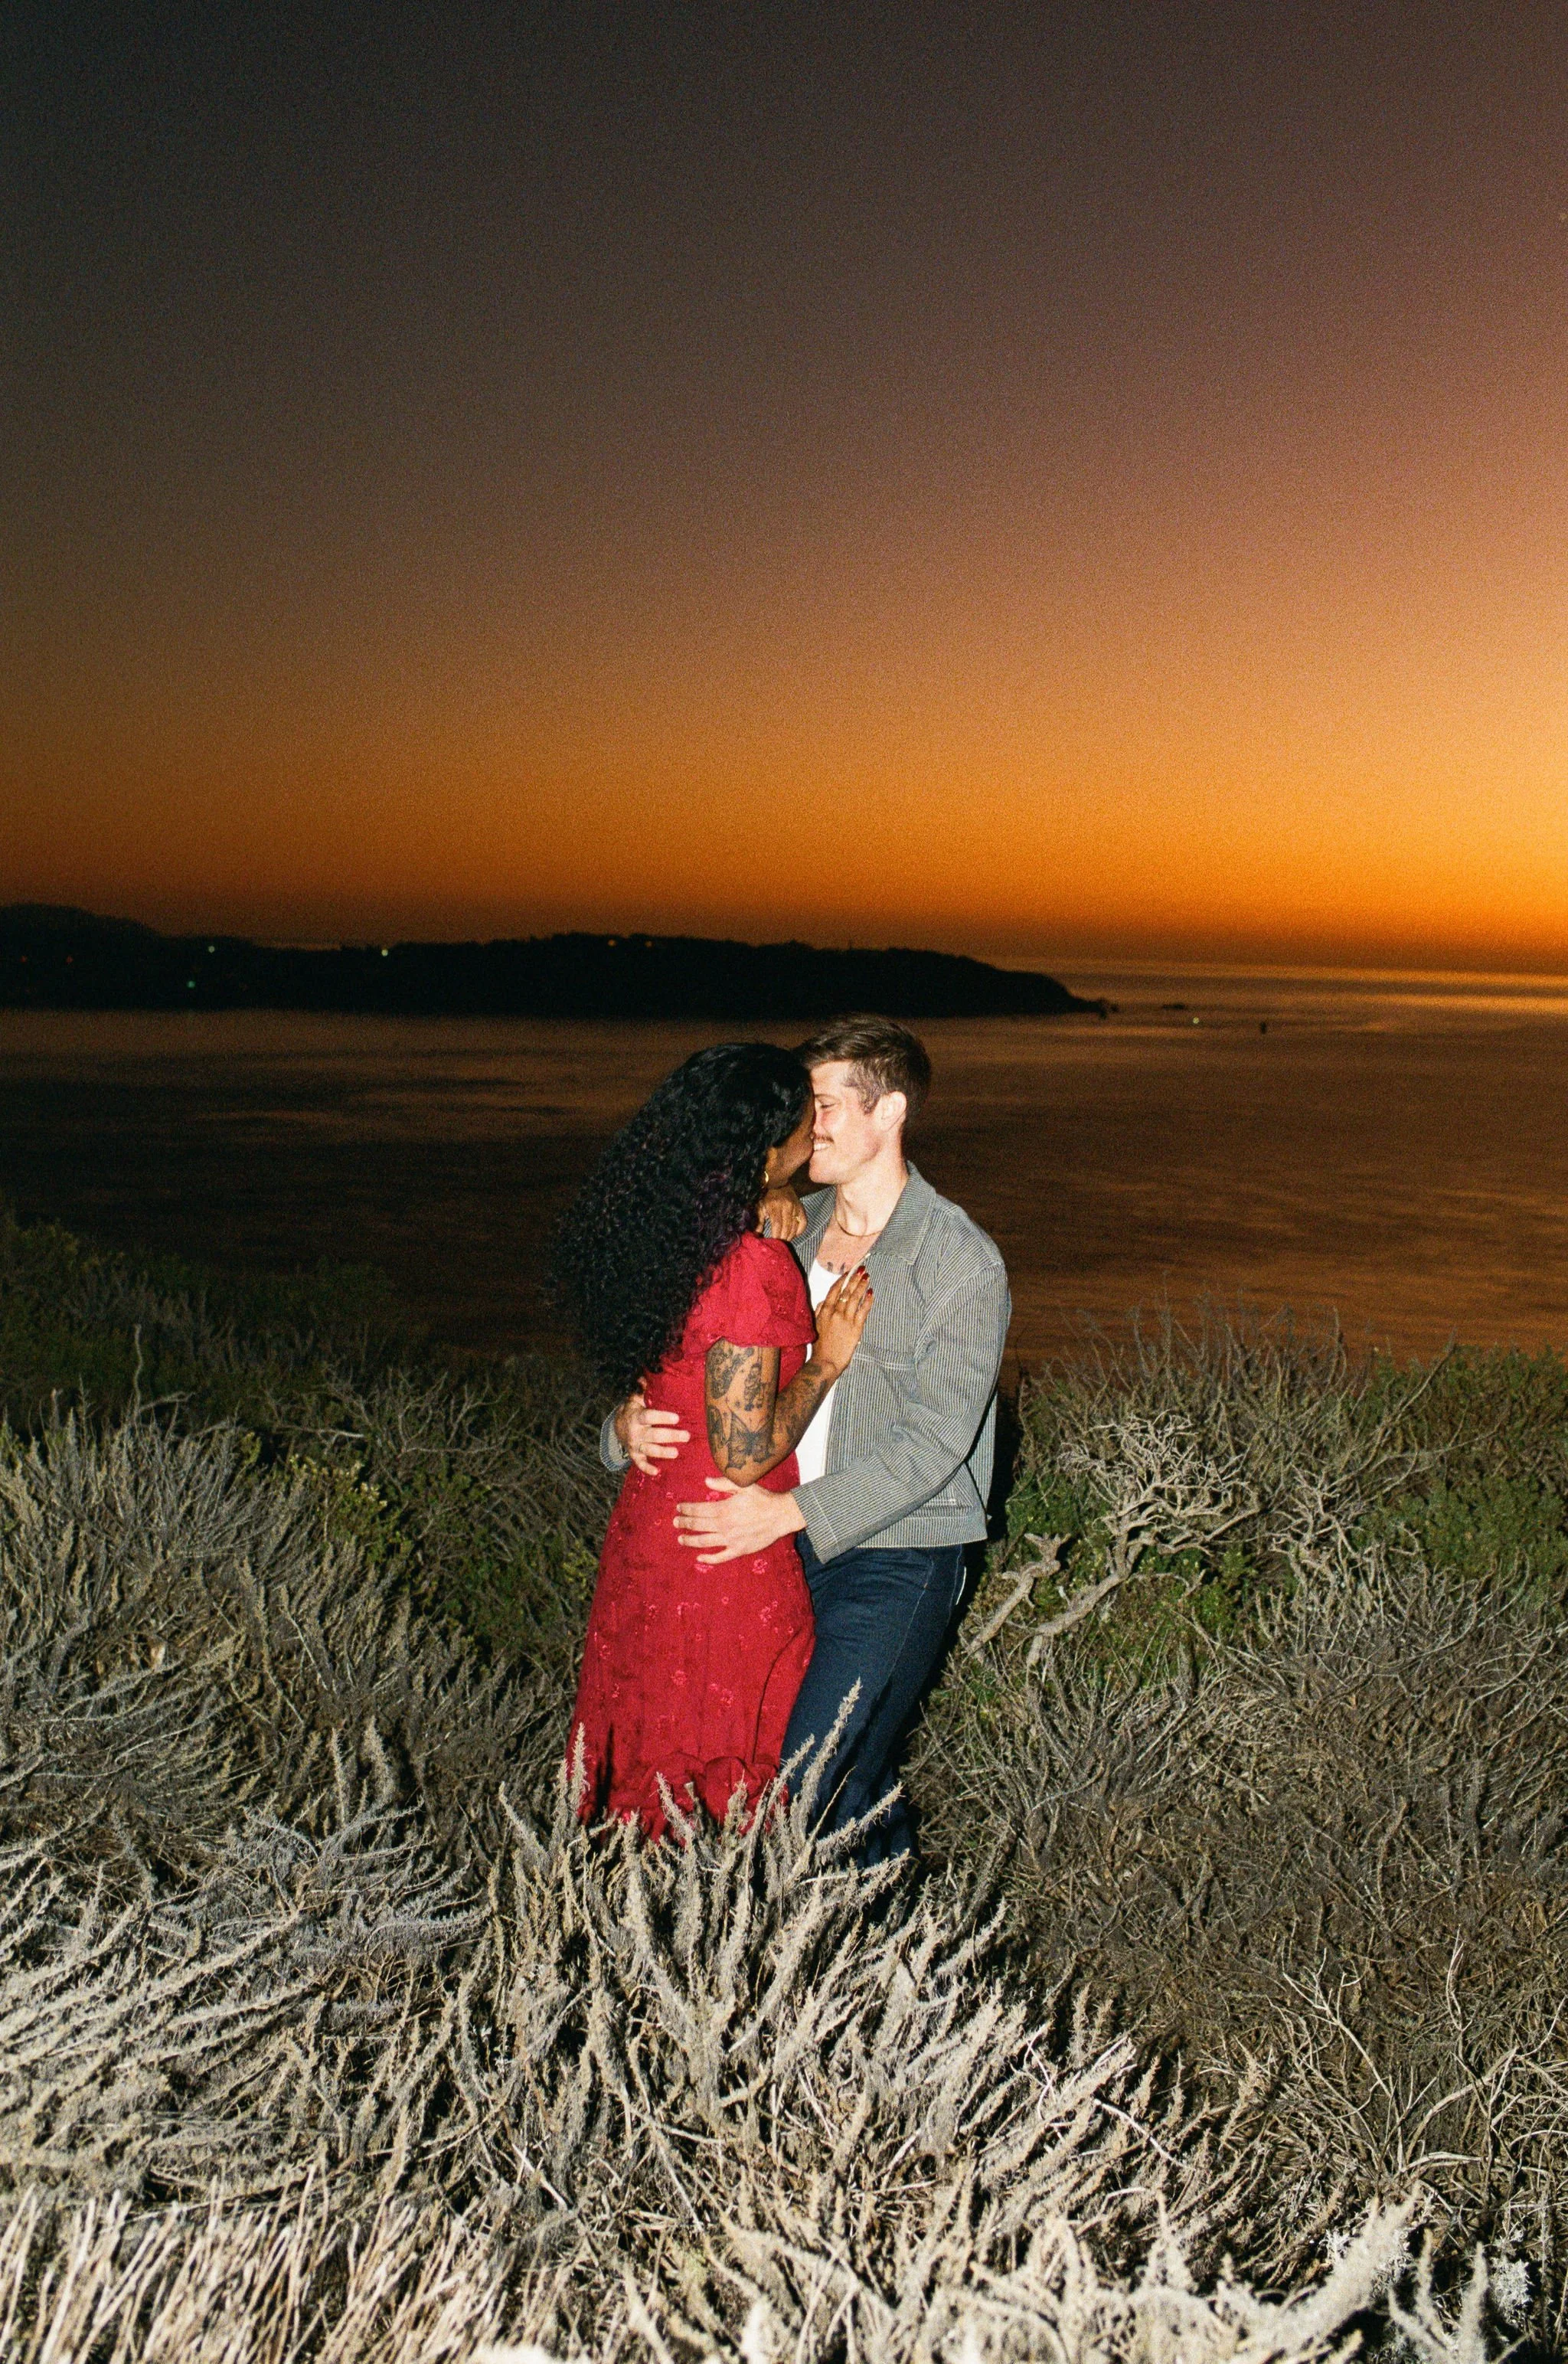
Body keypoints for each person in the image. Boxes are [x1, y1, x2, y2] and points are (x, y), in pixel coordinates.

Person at [607, 1017, 1010, 1860]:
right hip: (772, 1559)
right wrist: (617, 1428)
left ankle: (884, 1967)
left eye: (822, 1105)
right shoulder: (773, 1231)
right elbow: (675, 1356)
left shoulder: (958, 1261)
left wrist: (788, 1512)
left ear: (889, 1110)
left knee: (813, 1776)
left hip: (894, 1555)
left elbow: (935, 1444)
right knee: (759, 1783)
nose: (804, 1125)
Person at [554, 1042, 873, 1839]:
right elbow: (744, 1450)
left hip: (649, 1535)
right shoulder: (748, 1266)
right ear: (764, 1149)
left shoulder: (667, 1232)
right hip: (721, 1555)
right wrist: (825, 1365)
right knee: (722, 1764)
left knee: (644, 1756)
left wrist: (771, 1202)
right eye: (803, 1128)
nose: (814, 1141)